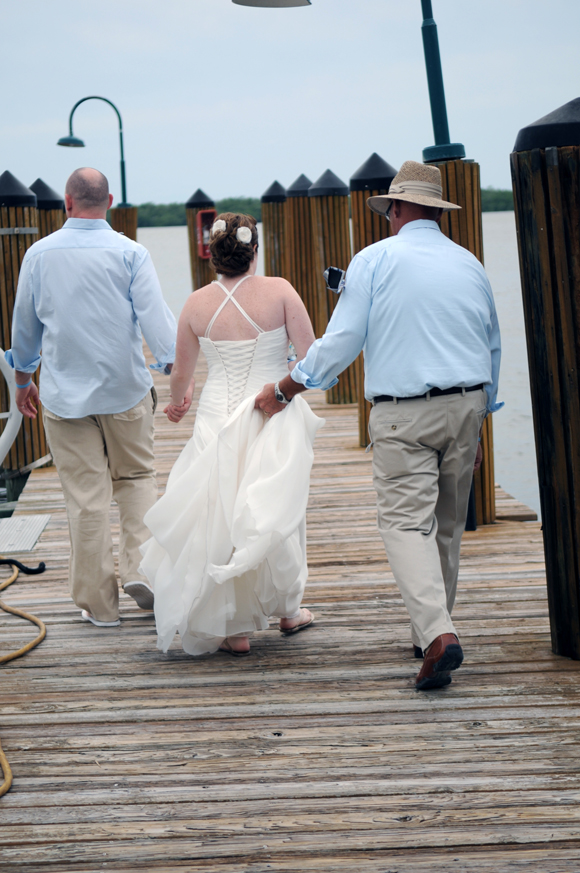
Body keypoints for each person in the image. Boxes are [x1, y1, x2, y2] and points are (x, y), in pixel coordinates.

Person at [256, 160, 502, 690]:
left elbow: (340, 343)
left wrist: (286, 388)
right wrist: (482, 419)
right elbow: (491, 345)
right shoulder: (470, 264)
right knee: (447, 525)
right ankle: (430, 632)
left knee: (404, 524)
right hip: (467, 407)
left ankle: (438, 634)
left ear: (395, 207)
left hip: (402, 411)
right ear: (435, 210)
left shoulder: (373, 260)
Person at [139, 213, 322, 657]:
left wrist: (178, 403)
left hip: (217, 417)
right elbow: (312, 356)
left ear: (212, 255)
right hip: (271, 408)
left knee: (218, 512)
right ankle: (288, 610)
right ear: (253, 250)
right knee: (275, 506)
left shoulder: (196, 304)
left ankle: (234, 629)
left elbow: (181, 374)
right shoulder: (280, 291)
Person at [6, 168, 177, 628]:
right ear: (110, 201)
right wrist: (172, 370)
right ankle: (144, 573)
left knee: (86, 499)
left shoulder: (38, 256)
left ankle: (99, 607)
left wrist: (24, 382)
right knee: (137, 479)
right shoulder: (131, 253)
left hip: (65, 398)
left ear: (67, 202)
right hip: (125, 391)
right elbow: (159, 328)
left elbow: (25, 334)